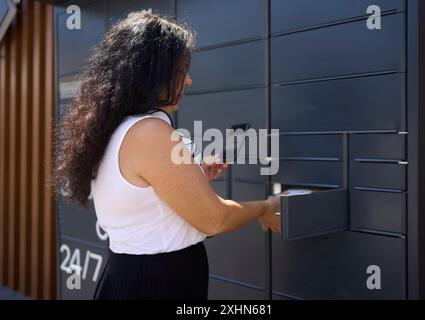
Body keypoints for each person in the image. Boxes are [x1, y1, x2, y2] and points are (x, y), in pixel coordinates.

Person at [53, 11, 280, 300]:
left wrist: (192, 172)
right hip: (158, 283)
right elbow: (215, 219)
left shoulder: (114, 128)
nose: (188, 81)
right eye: (181, 70)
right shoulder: (151, 133)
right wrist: (266, 206)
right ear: (152, 73)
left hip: (131, 275)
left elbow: (144, 195)